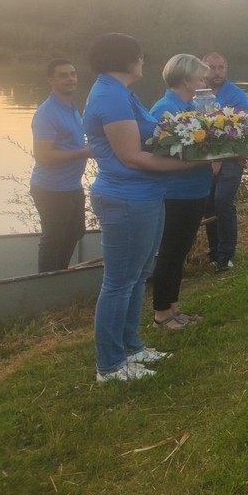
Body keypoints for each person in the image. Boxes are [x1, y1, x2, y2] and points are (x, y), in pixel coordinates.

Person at [84, 33, 200, 382]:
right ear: (127, 60)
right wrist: (190, 163)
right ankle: (109, 365)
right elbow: (132, 157)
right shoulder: (110, 96)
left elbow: (150, 138)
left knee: (137, 277)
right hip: (126, 197)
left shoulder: (122, 93)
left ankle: (131, 348)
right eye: (140, 56)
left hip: (145, 195)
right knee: (119, 283)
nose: (143, 61)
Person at [149, 55, 215, 329]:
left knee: (181, 251)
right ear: (186, 80)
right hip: (176, 192)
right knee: (170, 252)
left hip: (196, 189)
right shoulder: (164, 109)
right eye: (200, 78)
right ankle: (162, 314)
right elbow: (159, 153)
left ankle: (174, 307)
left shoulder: (193, 106)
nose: (203, 83)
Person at [29, 58, 91, 272]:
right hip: (50, 188)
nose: (70, 79)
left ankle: (60, 274)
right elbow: (43, 155)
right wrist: (84, 151)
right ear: (50, 80)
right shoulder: (47, 113)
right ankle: (47, 285)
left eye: (73, 74)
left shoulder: (71, 107)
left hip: (72, 185)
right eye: (63, 75)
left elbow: (69, 143)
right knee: (53, 239)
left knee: (75, 232)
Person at [202, 52, 248, 272]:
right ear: (203, 69)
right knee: (208, 205)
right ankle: (213, 253)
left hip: (231, 157)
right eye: (212, 67)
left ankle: (226, 255)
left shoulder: (236, 96)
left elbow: (238, 132)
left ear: (226, 68)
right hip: (204, 159)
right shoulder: (197, 93)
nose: (217, 72)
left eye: (221, 67)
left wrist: (219, 159)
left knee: (222, 201)